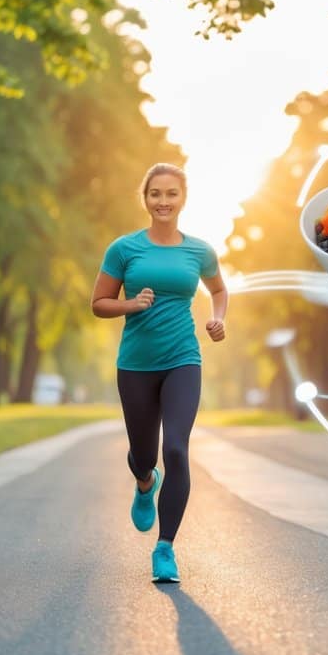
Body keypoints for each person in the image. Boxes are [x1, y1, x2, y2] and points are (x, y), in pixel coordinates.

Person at [91, 163, 227, 583]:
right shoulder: (124, 249)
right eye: (156, 194)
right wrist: (131, 305)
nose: (163, 202)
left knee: (178, 450)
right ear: (145, 199)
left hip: (183, 359)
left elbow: (219, 289)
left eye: (171, 194)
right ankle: (145, 481)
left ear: (182, 198)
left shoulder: (199, 251)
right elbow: (99, 302)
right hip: (135, 364)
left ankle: (165, 548)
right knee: (145, 456)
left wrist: (218, 318)